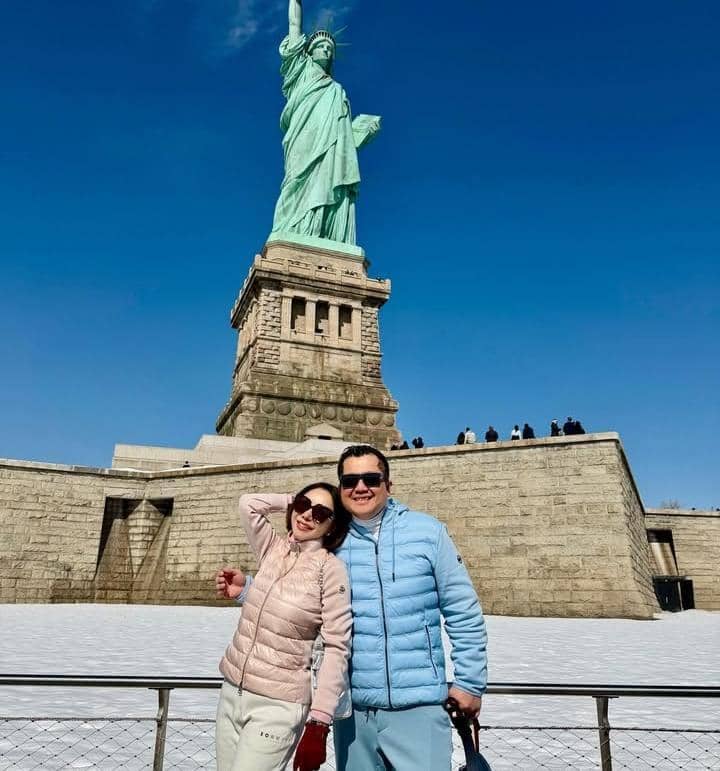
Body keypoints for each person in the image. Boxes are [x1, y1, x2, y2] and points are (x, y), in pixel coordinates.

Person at [332, 445, 488, 770]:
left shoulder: (428, 532)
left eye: (371, 479)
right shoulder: (331, 540)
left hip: (420, 709)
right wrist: (246, 590)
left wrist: (470, 683)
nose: (360, 487)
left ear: (388, 485)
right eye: (350, 481)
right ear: (340, 488)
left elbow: (463, 610)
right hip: (351, 712)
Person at [215, 483, 352, 771]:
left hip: (278, 706)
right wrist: (292, 500)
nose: (307, 515)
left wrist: (319, 722)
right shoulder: (273, 549)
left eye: (320, 513)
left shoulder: (331, 570)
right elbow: (248, 504)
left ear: (332, 526)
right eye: (303, 506)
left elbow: (337, 647)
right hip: (233, 692)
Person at [270, 0, 381, 245]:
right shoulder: (300, 71)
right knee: (296, 180)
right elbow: (294, 24)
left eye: (329, 48)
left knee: (330, 180)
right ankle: (293, 229)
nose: (326, 51)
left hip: (331, 149)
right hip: (304, 138)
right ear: (309, 51)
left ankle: (325, 233)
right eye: (320, 46)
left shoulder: (337, 90)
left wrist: (362, 132)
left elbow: (344, 139)